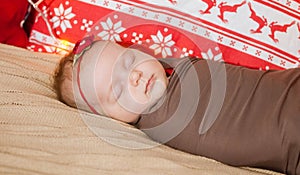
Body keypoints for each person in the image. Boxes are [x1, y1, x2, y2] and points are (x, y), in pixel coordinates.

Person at [54, 37, 300, 175]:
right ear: (111, 119)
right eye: (117, 91)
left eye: (128, 60)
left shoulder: (181, 69)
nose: (134, 77)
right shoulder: (158, 126)